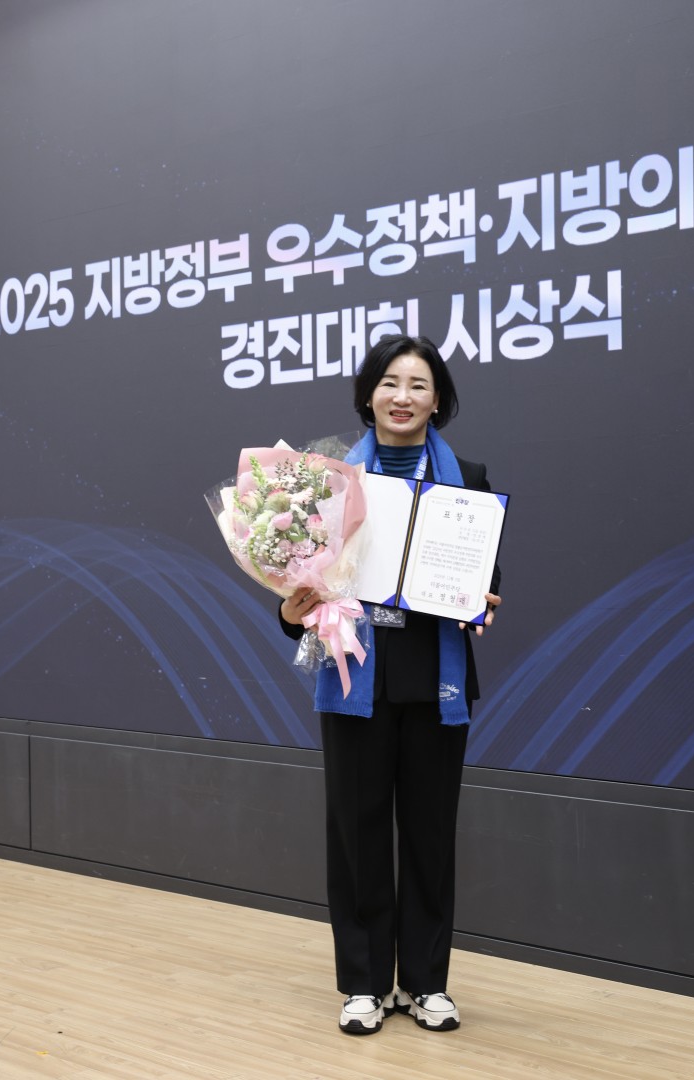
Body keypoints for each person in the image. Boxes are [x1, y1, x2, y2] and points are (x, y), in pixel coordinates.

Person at [279, 335, 501, 1036]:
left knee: (431, 840)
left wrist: (482, 601)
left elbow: (484, 577)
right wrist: (290, 611)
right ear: (368, 395)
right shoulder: (326, 485)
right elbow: (302, 590)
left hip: (435, 681)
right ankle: (364, 985)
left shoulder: (467, 477)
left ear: (438, 401)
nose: (402, 397)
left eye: (418, 385)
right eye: (389, 383)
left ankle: (427, 984)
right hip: (355, 678)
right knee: (357, 837)